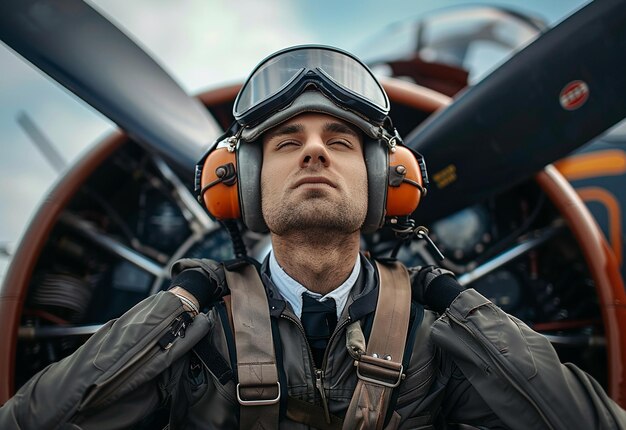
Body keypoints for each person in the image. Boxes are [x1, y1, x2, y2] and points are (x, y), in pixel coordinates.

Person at [2, 45, 626, 430]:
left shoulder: (434, 339)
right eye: (286, 143)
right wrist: (178, 304)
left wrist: (456, 304)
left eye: (342, 142)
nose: (315, 156)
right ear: (241, 185)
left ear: (387, 184)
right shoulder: (194, 333)